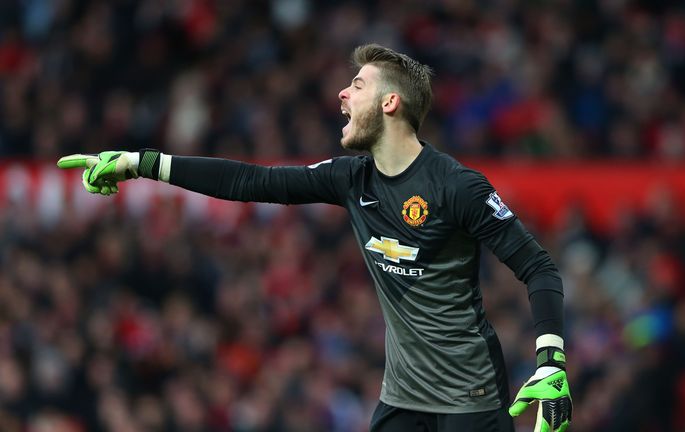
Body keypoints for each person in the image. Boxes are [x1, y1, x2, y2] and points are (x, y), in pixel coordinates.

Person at [58, 44, 571, 432]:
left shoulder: (456, 187)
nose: (343, 94)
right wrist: (139, 162)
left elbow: (538, 267)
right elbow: (249, 180)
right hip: (402, 399)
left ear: (391, 102)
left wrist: (551, 358)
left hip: (471, 401)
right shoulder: (350, 179)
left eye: (357, 84)